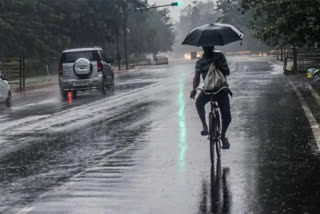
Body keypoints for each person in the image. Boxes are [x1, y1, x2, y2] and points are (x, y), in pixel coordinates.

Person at [190, 46, 231, 149]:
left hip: (221, 89)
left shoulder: (220, 56)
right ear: (203, 48)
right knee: (199, 103)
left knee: (227, 116)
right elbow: (196, 78)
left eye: (209, 46)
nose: (207, 48)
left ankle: (223, 135)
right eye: (205, 46)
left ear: (213, 46)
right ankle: (204, 125)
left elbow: (227, 72)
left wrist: (219, 65)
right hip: (207, 90)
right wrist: (194, 89)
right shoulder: (200, 62)